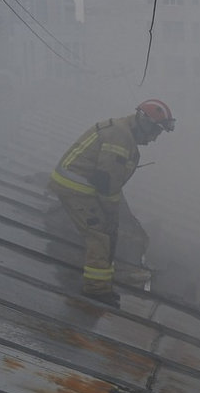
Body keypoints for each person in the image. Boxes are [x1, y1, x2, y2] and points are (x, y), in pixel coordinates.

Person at [46, 99, 175, 307]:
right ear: (145, 123)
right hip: (76, 188)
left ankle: (102, 284)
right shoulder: (121, 136)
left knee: (103, 233)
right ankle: (96, 289)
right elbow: (107, 182)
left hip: (80, 187)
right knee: (100, 235)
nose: (153, 139)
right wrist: (112, 215)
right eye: (155, 132)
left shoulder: (123, 132)